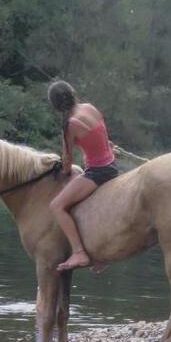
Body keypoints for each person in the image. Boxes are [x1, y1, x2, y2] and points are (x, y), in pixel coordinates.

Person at [47, 81, 118, 271]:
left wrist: (62, 171)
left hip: (99, 172)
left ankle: (79, 253)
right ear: (72, 93)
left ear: (55, 105)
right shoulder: (89, 107)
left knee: (57, 206)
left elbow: (68, 163)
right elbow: (102, 138)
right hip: (112, 165)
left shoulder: (70, 124)